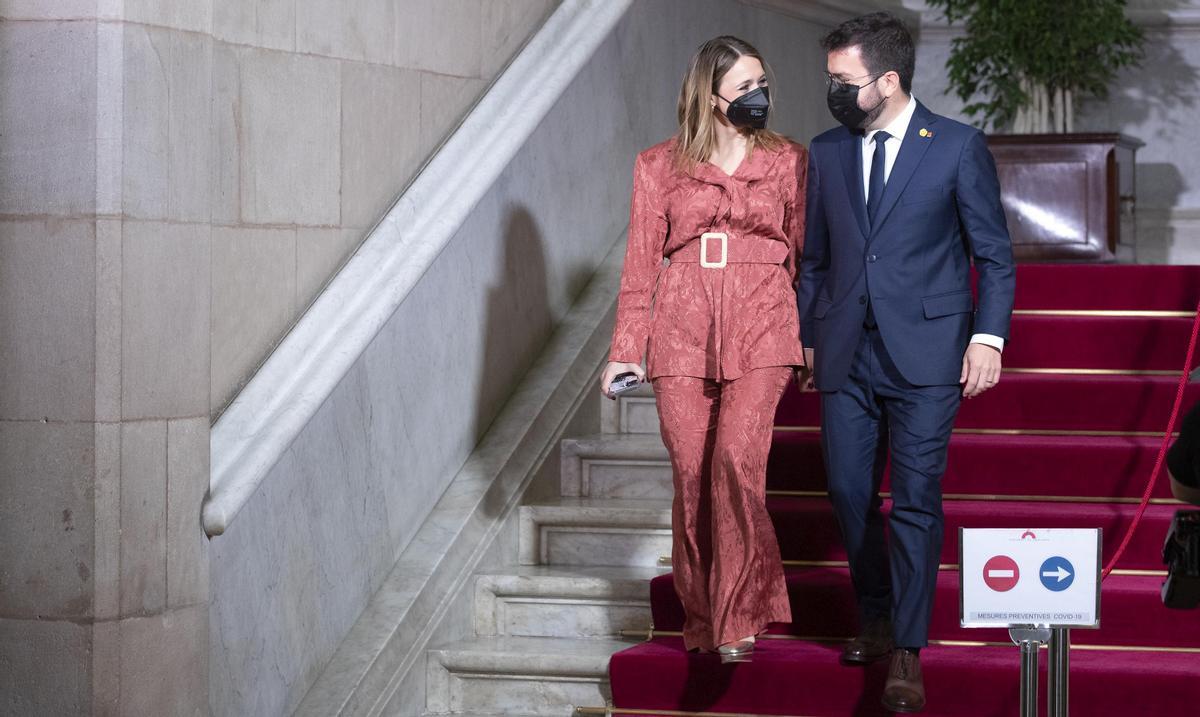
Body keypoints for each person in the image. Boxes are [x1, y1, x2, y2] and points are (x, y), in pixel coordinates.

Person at [796, 13, 1016, 713]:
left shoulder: (955, 147)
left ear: (887, 81)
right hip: (844, 352)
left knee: (916, 503)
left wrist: (988, 338)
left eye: (842, 80)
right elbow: (816, 259)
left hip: (926, 356)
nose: (831, 90)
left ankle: (907, 651)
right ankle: (879, 609)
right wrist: (804, 334)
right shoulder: (826, 151)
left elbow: (995, 256)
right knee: (848, 490)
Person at [600, 35, 807, 663]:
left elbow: (806, 256)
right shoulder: (657, 165)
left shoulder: (790, 160)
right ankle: (703, 616)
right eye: (743, 87)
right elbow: (639, 267)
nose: (758, 96)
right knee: (692, 474)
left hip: (764, 319)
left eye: (761, 83)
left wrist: (813, 336)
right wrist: (624, 348)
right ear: (708, 94)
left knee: (735, 462)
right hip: (683, 326)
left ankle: (739, 611)